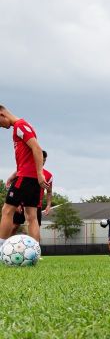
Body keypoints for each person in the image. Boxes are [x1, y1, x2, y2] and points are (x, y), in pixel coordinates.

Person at [0, 105, 48, 245]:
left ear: (1, 114)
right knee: (31, 216)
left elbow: (37, 148)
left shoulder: (20, 125)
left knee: (7, 210)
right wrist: (14, 174)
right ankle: (35, 250)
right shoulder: (21, 127)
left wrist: (40, 173)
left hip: (26, 177)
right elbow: (27, 158)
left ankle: (1, 246)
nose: (1, 127)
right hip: (29, 177)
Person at [10, 150, 53, 237]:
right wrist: (17, 203)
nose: (43, 162)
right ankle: (5, 246)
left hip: (36, 205)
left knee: (35, 229)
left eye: (44, 160)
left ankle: (36, 249)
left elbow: (49, 191)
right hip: (21, 204)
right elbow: (16, 187)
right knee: (14, 226)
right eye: (41, 159)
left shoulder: (48, 175)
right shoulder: (25, 170)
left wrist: (48, 205)